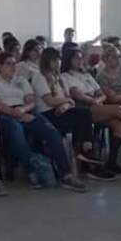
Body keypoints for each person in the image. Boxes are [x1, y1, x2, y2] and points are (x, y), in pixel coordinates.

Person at [0, 52, 87, 192]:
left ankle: (66, 174)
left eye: (14, 63)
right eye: (8, 64)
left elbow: (32, 101)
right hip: (4, 114)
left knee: (52, 132)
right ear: (0, 66)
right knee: (16, 130)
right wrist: (17, 114)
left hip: (24, 110)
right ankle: (31, 170)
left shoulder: (21, 80)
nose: (13, 67)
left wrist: (23, 110)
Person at [31, 48, 111, 180]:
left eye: (58, 59)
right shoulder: (39, 77)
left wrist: (66, 104)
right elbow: (50, 101)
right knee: (83, 114)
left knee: (82, 115)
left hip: (61, 110)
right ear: (47, 61)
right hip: (47, 114)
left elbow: (69, 99)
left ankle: (85, 153)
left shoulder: (59, 77)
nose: (57, 63)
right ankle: (85, 152)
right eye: (54, 60)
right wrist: (66, 102)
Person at [62, 49, 121, 171]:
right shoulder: (65, 76)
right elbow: (77, 95)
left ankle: (112, 162)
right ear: (69, 60)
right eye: (77, 58)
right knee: (118, 109)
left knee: (119, 126)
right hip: (83, 108)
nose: (81, 60)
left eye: (81, 58)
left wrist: (97, 99)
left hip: (97, 105)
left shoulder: (86, 75)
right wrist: (94, 100)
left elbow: (102, 94)